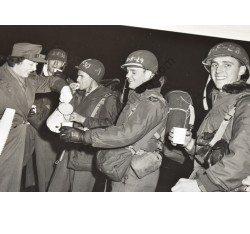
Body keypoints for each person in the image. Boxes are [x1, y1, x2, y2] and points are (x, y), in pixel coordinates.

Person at [59, 50, 168, 192]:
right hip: (121, 164)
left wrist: (84, 136)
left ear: (149, 74)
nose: (127, 75)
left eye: (133, 72)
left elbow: (127, 134)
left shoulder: (152, 103)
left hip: (135, 172)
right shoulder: (137, 99)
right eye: (127, 71)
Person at [170, 42, 250, 192]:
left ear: (242, 70)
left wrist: (202, 185)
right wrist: (189, 144)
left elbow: (244, 157)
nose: (218, 70)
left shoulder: (245, 103)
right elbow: (213, 152)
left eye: (227, 65)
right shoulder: (222, 101)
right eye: (214, 65)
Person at [0, 43, 73, 192]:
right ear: (17, 60)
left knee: (11, 181)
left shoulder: (27, 79)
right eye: (31, 63)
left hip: (18, 137)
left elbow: (50, 81)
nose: (35, 68)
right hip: (4, 136)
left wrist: (63, 87)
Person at [48, 59, 122, 192]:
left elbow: (110, 127)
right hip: (68, 150)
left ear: (93, 78)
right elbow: (66, 112)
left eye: (81, 76)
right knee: (55, 189)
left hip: (87, 157)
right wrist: (71, 96)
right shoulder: (80, 93)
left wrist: (83, 120)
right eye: (78, 75)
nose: (77, 79)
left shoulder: (109, 97)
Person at [27, 49, 69, 191]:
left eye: (60, 61)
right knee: (25, 170)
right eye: (53, 60)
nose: (56, 63)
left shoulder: (66, 83)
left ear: (64, 64)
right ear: (47, 62)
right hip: (27, 128)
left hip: (45, 131)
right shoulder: (32, 76)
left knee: (45, 170)